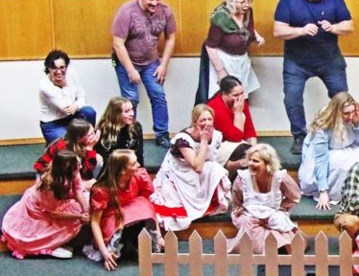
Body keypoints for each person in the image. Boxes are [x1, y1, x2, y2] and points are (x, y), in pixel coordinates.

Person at [273, 0, 353, 155]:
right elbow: (278, 31)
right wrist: (300, 30)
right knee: (292, 98)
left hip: (329, 59)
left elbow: (349, 26)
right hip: (297, 62)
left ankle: (342, 133)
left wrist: (333, 27)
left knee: (342, 98)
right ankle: (300, 136)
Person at [110, 0, 177, 149]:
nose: (154, 3)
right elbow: (118, 43)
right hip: (126, 61)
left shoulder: (166, 11)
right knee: (130, 100)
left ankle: (161, 135)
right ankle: (130, 136)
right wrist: (130, 69)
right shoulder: (127, 12)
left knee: (158, 95)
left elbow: (171, 38)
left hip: (151, 62)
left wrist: (164, 65)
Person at [150, 104, 230, 232]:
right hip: (180, 171)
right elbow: (196, 166)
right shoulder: (183, 140)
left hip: (199, 168)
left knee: (216, 169)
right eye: (202, 120)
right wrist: (204, 140)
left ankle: (211, 202)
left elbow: (209, 159)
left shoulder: (215, 135)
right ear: (195, 123)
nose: (207, 123)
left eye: (209, 119)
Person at [1, 150, 90, 259]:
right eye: (76, 165)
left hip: (60, 200)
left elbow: (78, 189)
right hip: (43, 210)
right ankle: (49, 247)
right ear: (67, 168)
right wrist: (79, 216)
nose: (79, 166)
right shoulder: (49, 185)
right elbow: (53, 213)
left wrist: (86, 211)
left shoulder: (72, 171)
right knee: (71, 224)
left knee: (89, 202)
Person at [84, 150, 161, 271]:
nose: (139, 165)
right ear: (123, 171)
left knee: (143, 204)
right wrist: (104, 251)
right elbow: (95, 222)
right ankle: (125, 246)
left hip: (133, 216)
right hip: (114, 221)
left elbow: (148, 207)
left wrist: (159, 236)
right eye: (134, 163)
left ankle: (133, 244)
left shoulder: (139, 177)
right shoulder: (103, 190)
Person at [299, 92, 359, 210]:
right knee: (342, 164)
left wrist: (358, 123)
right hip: (328, 153)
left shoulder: (353, 117)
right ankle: (339, 193)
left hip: (350, 147)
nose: (350, 116)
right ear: (337, 112)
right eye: (346, 113)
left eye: (352, 112)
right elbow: (321, 158)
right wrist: (323, 191)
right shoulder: (323, 126)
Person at [226, 144, 302, 254]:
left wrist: (278, 207)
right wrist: (245, 212)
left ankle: (276, 246)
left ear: (268, 164)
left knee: (277, 222)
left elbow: (295, 197)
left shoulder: (280, 177)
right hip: (248, 214)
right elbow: (237, 200)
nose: (251, 163)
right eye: (250, 160)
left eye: (256, 161)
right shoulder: (242, 178)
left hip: (273, 211)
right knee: (250, 223)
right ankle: (272, 248)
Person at [197, 0, 265, 104]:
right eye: (242, 2)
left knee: (240, 96)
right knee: (224, 97)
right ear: (232, 2)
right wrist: (221, 71)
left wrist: (257, 36)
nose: (247, 5)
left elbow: (246, 29)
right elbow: (210, 45)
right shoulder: (221, 18)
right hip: (223, 60)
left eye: (249, 1)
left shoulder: (248, 12)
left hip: (241, 60)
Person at [38, 49, 97, 144]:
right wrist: (64, 85)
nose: (59, 72)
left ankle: (88, 142)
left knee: (88, 111)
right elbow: (66, 108)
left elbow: (82, 97)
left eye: (62, 67)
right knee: (68, 146)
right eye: (54, 68)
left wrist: (76, 106)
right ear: (48, 68)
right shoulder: (44, 86)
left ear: (67, 66)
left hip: (72, 117)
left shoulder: (72, 73)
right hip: (53, 124)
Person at [207, 76, 258, 176]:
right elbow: (235, 137)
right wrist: (238, 113)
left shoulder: (241, 102)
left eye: (242, 93)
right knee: (245, 153)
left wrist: (255, 150)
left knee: (261, 156)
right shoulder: (216, 108)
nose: (240, 98)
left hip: (238, 146)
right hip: (219, 147)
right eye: (235, 95)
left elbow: (249, 131)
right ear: (224, 94)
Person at [34, 118, 101, 188]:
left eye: (93, 132)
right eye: (90, 135)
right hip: (49, 175)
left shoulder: (79, 143)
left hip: (67, 173)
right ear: (78, 138)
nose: (94, 137)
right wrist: (90, 148)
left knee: (98, 158)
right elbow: (85, 174)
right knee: (93, 185)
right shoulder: (65, 151)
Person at [95, 97, 144, 170]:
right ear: (116, 114)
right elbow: (104, 159)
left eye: (132, 109)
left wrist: (140, 170)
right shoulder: (103, 129)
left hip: (131, 168)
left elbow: (139, 154)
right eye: (127, 111)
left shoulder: (136, 127)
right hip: (111, 171)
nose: (132, 114)